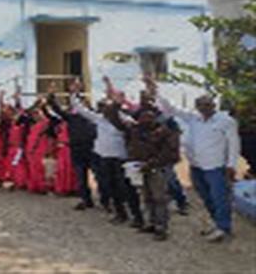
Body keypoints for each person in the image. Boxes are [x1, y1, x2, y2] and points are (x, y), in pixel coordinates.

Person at [148, 76, 241, 242]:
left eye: (206, 104)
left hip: (215, 167)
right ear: (196, 107)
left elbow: (234, 144)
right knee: (206, 197)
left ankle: (224, 228)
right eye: (200, 105)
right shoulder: (193, 118)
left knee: (219, 198)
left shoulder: (226, 121)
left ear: (213, 105)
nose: (203, 108)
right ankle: (217, 223)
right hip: (196, 165)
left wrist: (231, 165)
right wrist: (155, 90)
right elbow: (171, 108)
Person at [70, 80, 144, 227]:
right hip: (104, 158)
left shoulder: (124, 119)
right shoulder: (99, 119)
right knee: (111, 187)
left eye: (106, 107)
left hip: (121, 159)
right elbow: (79, 108)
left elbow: (135, 129)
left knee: (127, 188)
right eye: (103, 107)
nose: (104, 109)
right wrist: (74, 93)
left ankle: (137, 217)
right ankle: (120, 214)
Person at [124, 104, 180, 241]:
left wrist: (151, 163)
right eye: (143, 116)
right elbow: (130, 145)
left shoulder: (164, 132)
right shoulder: (136, 131)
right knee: (147, 197)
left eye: (149, 116)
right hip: (140, 168)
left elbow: (168, 153)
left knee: (159, 198)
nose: (146, 119)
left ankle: (161, 227)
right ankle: (151, 223)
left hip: (157, 168)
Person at [48, 89, 101, 210]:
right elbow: (57, 110)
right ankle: (86, 200)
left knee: (99, 176)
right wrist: (51, 97)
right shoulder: (71, 117)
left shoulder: (94, 117)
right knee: (81, 178)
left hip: (92, 149)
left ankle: (106, 200)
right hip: (77, 150)